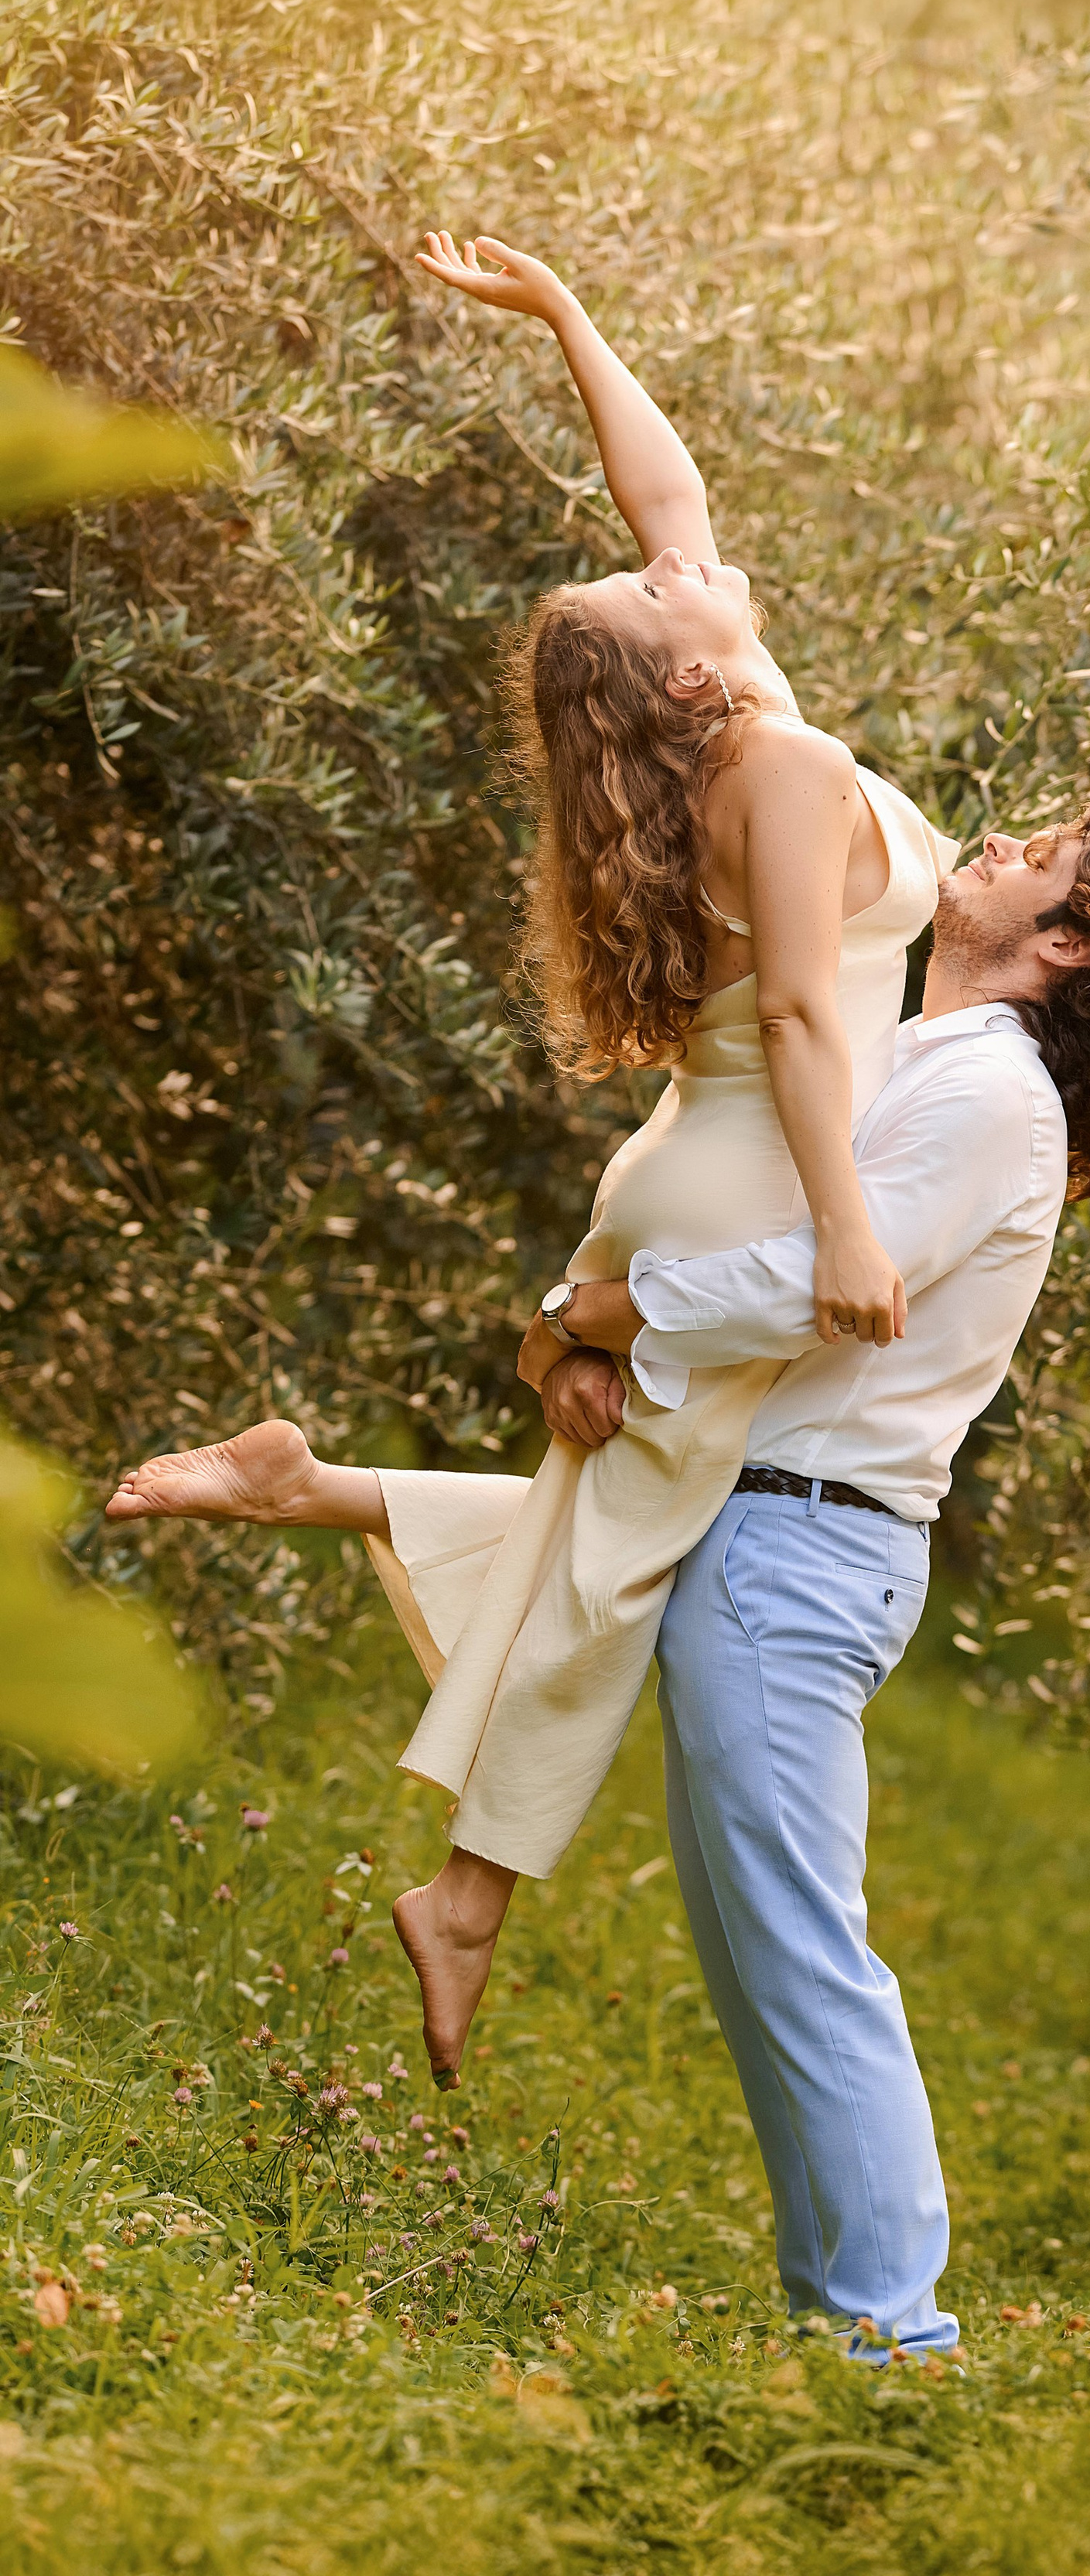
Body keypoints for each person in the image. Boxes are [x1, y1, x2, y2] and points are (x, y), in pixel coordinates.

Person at [114, 801, 1090, 2358]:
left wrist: (599, 1310)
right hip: (748, 1513)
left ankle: (891, 2345)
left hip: (804, 1544)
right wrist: (580, 1342)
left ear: (1065, 943)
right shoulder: (905, 1056)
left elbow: (814, 1287)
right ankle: (844, 2327)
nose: (992, 832)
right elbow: (742, 1232)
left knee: (800, 1957)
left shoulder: (992, 1096)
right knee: (761, 1959)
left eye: (1039, 846)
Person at [108, 232, 952, 2079]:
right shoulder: (783, 768)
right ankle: (466, 1898)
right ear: (680, 685)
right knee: (626, 1554)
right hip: (747, 1173)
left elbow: (667, 487)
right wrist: (845, 1229)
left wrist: (566, 314)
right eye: (659, 588)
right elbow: (813, 1024)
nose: (686, 563)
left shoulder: (740, 737)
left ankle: (309, 1488)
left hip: (693, 1163)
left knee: (621, 1524)